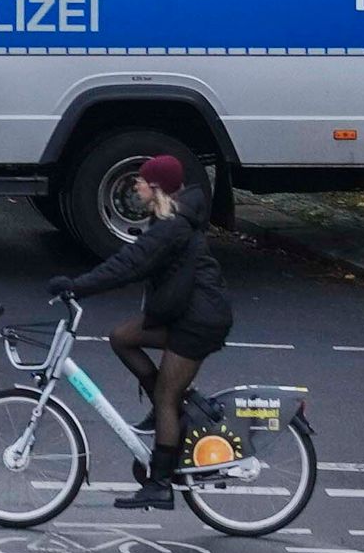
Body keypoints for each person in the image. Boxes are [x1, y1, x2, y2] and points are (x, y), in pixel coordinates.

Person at [44, 169, 234, 504]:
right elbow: (132, 264)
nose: (136, 185)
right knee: (122, 337)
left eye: (142, 181)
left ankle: (159, 484)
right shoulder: (168, 220)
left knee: (166, 396)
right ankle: (172, 410)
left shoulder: (172, 226)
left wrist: (77, 286)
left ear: (157, 188)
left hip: (199, 321)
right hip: (185, 312)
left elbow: (127, 266)